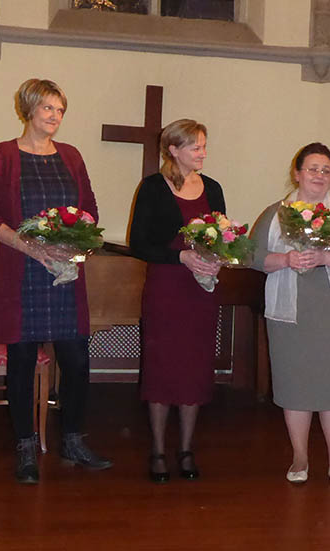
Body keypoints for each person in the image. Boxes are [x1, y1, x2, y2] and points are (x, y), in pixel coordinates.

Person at [0, 78, 111, 484]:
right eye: (48, 108)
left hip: (65, 274)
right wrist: (30, 247)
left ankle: (72, 439)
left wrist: (73, 245)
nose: (54, 116)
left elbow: (89, 209)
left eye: (60, 110)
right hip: (23, 272)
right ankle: (25, 447)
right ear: (29, 109)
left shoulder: (71, 156)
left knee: (77, 361)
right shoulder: (3, 155)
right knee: (20, 363)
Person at [250, 143, 330, 489]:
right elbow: (253, 256)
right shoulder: (275, 214)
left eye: (326, 169)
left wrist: (324, 258)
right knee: (296, 383)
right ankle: (300, 457)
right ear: (297, 173)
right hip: (289, 313)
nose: (320, 175)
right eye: (313, 168)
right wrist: (287, 260)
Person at [129, 118, 224, 483]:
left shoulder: (213, 188)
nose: (202, 152)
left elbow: (221, 233)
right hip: (167, 288)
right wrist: (180, 257)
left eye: (203, 145)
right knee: (162, 367)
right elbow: (139, 243)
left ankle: (186, 449)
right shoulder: (153, 187)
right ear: (174, 149)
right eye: (195, 146)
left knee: (194, 368)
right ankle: (157, 450)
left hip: (200, 292)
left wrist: (217, 257)